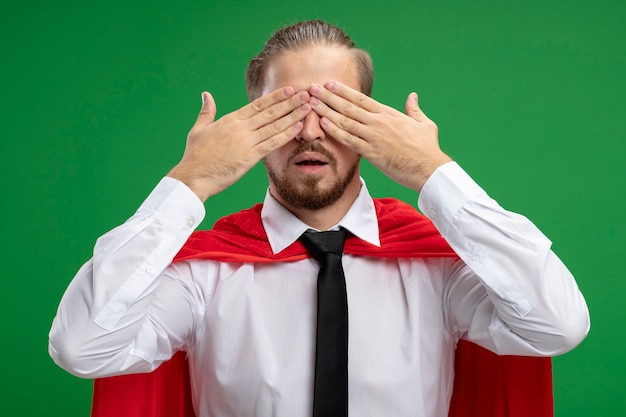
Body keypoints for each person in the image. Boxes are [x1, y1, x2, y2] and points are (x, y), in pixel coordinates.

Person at [49, 20, 590, 417]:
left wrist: (433, 171)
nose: (310, 132)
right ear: (249, 129)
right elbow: (81, 347)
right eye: (284, 112)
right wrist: (189, 184)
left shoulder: (438, 270)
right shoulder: (203, 277)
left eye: (336, 110)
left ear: (373, 125)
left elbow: (557, 325)